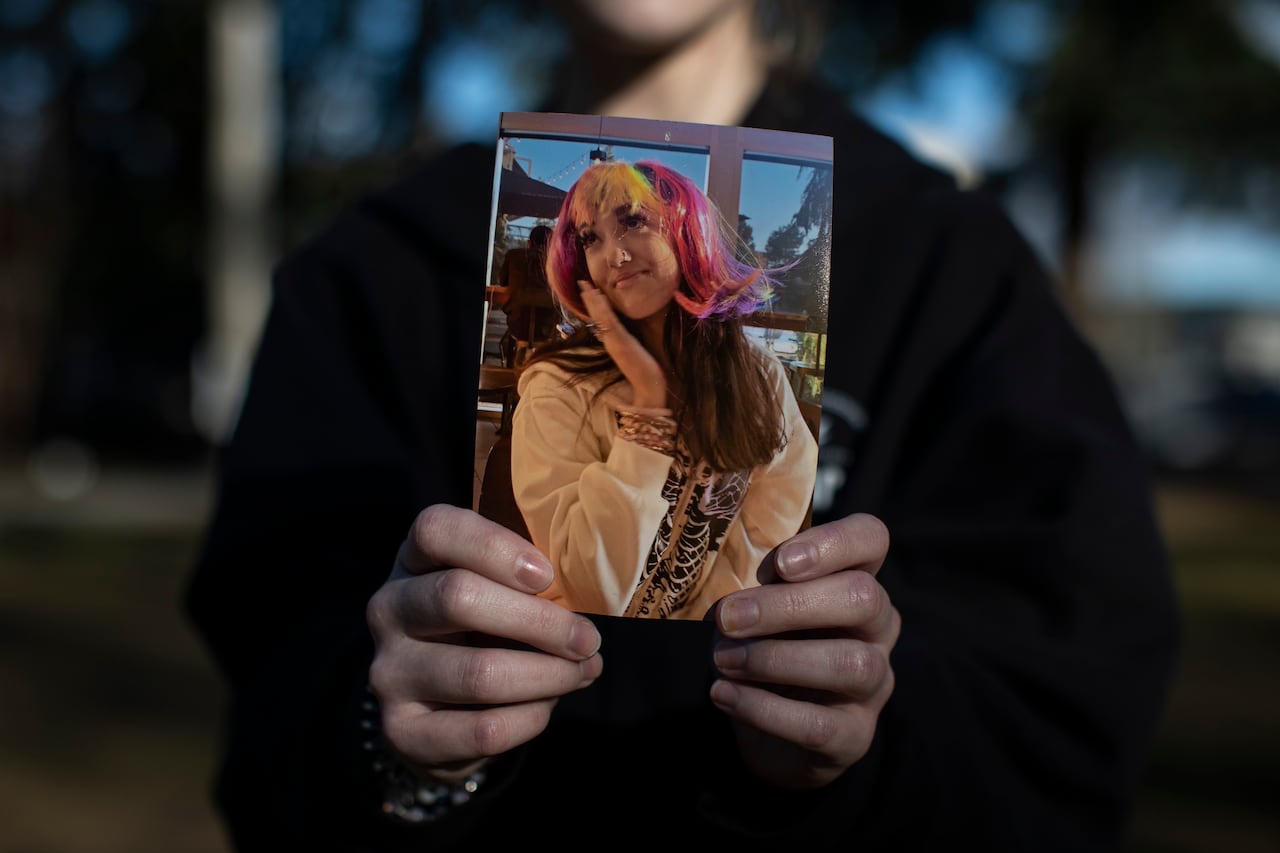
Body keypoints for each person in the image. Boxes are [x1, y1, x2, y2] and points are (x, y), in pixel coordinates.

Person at [183, 0, 1180, 850]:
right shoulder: (374, 273)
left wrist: (863, 733)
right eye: (591, 230)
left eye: (645, 224)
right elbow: (271, 707)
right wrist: (389, 747)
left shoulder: (948, 269)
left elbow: (1067, 707)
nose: (622, 252)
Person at [508, 159, 817, 618]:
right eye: (591, 238)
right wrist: (647, 409)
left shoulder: (758, 374)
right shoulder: (557, 387)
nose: (614, 256)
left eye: (632, 221)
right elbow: (591, 594)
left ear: (685, 231)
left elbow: (764, 536)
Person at [495, 224, 558, 365]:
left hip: (519, 325)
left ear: (529, 243)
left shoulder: (513, 255)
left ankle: (511, 371)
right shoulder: (556, 262)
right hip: (548, 330)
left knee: (516, 328)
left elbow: (503, 282)